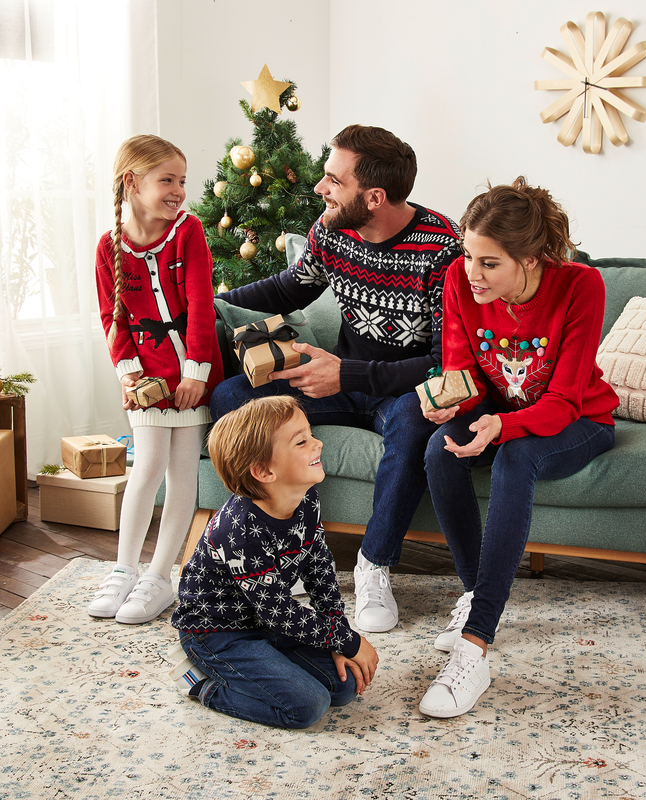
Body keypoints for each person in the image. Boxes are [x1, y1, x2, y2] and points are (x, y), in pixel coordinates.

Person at [211, 124, 462, 634]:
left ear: (374, 197)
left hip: (400, 391)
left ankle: (373, 566)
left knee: (415, 421)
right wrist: (209, 304)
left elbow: (445, 364)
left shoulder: (443, 248)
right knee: (233, 396)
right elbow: (289, 288)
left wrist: (346, 374)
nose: (320, 187)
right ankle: (277, 545)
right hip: (339, 380)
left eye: (334, 180)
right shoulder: (331, 230)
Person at [418, 177, 619, 719]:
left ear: (530, 260)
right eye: (467, 255)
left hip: (582, 418)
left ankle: (474, 646)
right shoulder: (459, 282)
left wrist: (501, 428)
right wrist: (451, 404)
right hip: (505, 410)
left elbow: (563, 400)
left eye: (489, 263)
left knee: (517, 455)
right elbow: (464, 374)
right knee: (439, 449)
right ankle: (476, 599)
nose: (471, 273)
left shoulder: (580, 285)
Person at [169, 396, 379, 729]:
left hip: (267, 622)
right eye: (302, 441)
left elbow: (319, 567)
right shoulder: (239, 530)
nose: (318, 443)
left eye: (311, 435)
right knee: (307, 707)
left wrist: (339, 636)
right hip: (219, 633)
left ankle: (268, 665)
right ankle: (203, 685)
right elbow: (280, 613)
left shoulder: (305, 497)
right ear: (265, 471)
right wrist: (349, 642)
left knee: (345, 686)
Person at [91, 134, 223, 624]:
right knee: (146, 466)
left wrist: (196, 374)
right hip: (145, 377)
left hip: (191, 372)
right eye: (167, 180)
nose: (178, 191)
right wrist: (129, 375)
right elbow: (113, 320)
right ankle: (123, 569)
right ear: (132, 181)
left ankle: (160, 576)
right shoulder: (108, 246)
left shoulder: (189, 231)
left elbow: (202, 308)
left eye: (181, 181)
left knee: (181, 471)